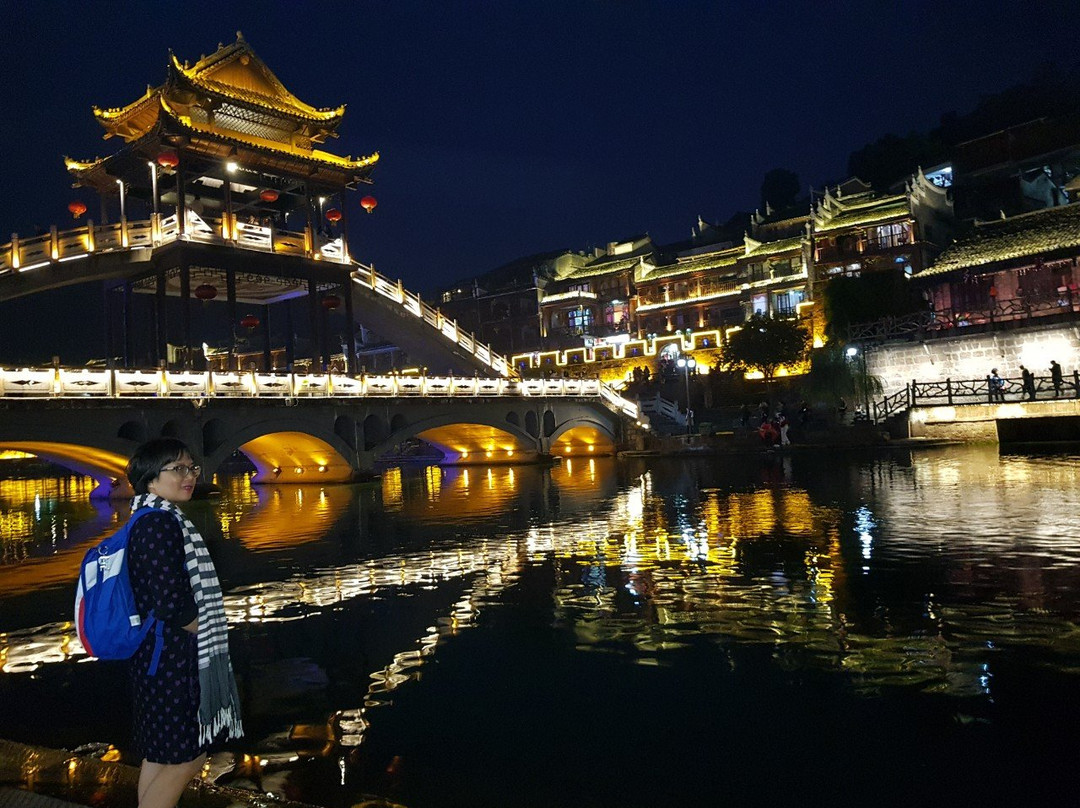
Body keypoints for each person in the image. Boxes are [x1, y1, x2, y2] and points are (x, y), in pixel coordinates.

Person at [125, 439, 243, 808]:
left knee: (160, 754)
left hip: (153, 656)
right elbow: (169, 601)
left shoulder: (147, 518)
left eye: (192, 468)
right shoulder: (160, 524)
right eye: (177, 469)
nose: (190, 476)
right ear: (150, 480)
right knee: (188, 757)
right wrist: (199, 627)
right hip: (172, 659)